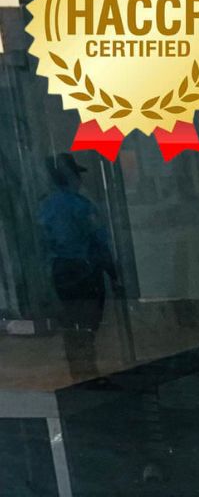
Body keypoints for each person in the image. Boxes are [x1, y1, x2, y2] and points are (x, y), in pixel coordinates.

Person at [38, 155, 118, 379]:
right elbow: (99, 241)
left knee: (71, 321)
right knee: (88, 321)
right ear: (72, 177)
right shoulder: (81, 205)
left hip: (60, 270)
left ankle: (78, 372)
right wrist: (113, 273)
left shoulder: (45, 206)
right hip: (84, 269)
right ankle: (88, 372)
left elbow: (43, 243)